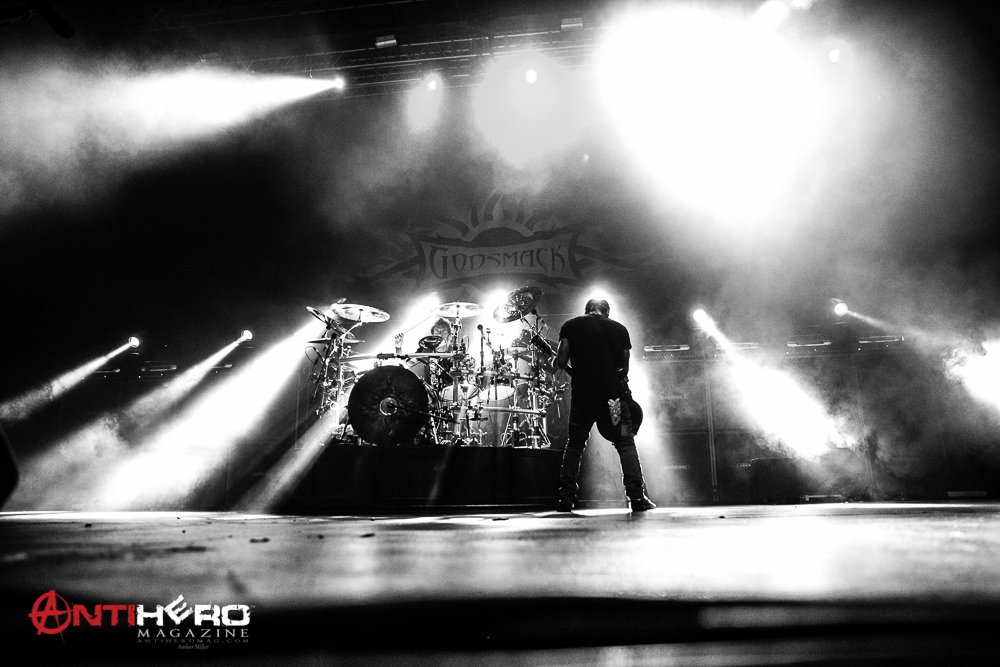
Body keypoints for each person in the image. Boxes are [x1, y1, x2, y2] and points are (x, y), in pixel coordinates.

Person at [553, 299, 655, 512]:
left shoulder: (570, 326)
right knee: (625, 443)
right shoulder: (620, 329)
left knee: (575, 445)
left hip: (583, 397)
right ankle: (637, 497)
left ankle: (565, 499)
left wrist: (554, 359)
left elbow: (561, 363)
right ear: (607, 312)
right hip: (613, 399)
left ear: (586, 310)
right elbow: (624, 369)